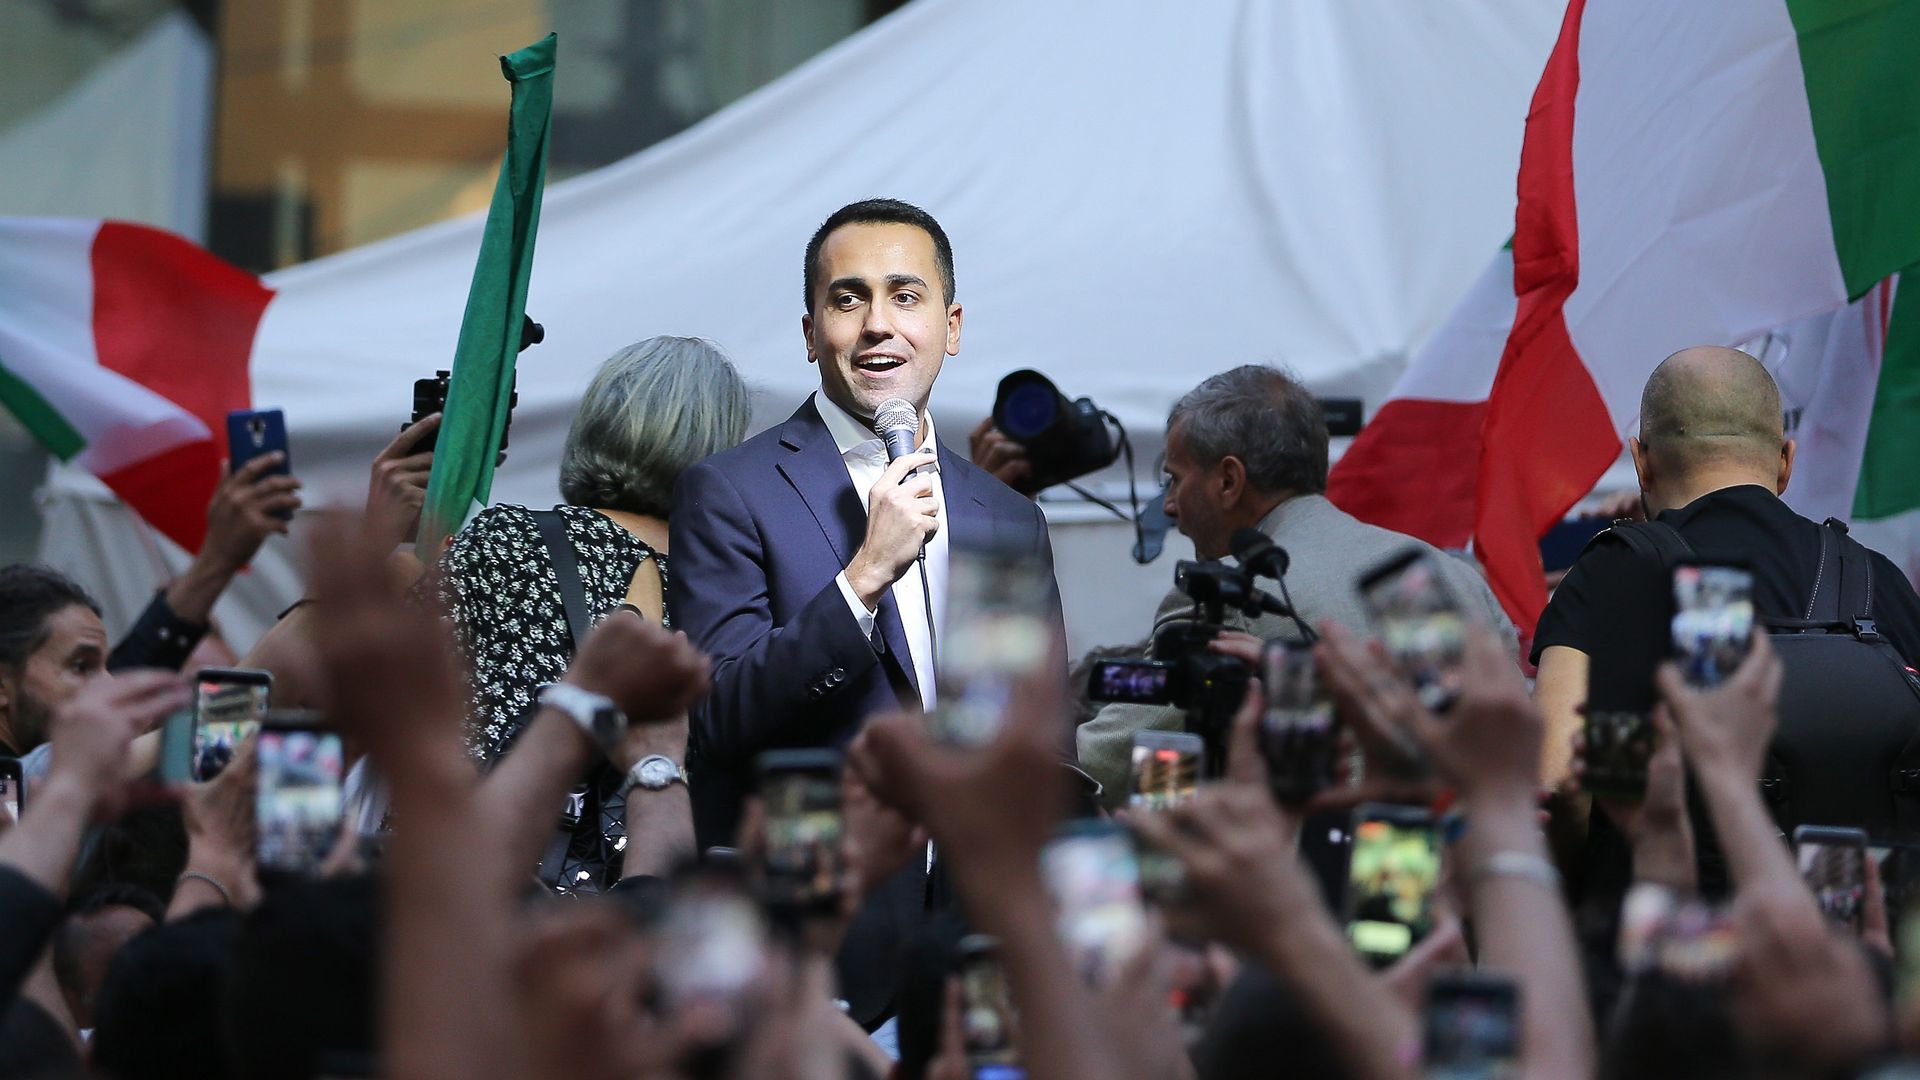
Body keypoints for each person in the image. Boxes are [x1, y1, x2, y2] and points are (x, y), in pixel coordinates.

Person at [669, 197, 1063, 1029]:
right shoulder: (733, 492)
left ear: (950, 327)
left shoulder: (1005, 516)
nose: (879, 324)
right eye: (848, 299)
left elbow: (1032, 737)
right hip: (810, 952)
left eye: (906, 296)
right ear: (812, 333)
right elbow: (721, 713)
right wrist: (865, 576)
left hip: (975, 950)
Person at [1075, 364, 1510, 802]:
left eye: (1176, 479)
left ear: (1229, 481)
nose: (1169, 506)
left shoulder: (1228, 596)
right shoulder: (1456, 577)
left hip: (1304, 864)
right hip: (1469, 861)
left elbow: (1107, 763)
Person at [428, 335, 750, 890]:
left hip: (471, 884)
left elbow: (377, 699)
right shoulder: (731, 592)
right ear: (720, 450)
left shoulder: (506, 541)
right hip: (642, 912)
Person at [1532, 346, 1920, 782]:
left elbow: (1561, 780)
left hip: (1675, 849)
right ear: (1786, 461)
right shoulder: (1873, 577)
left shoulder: (1615, 574)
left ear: (1641, 462)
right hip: (1845, 852)